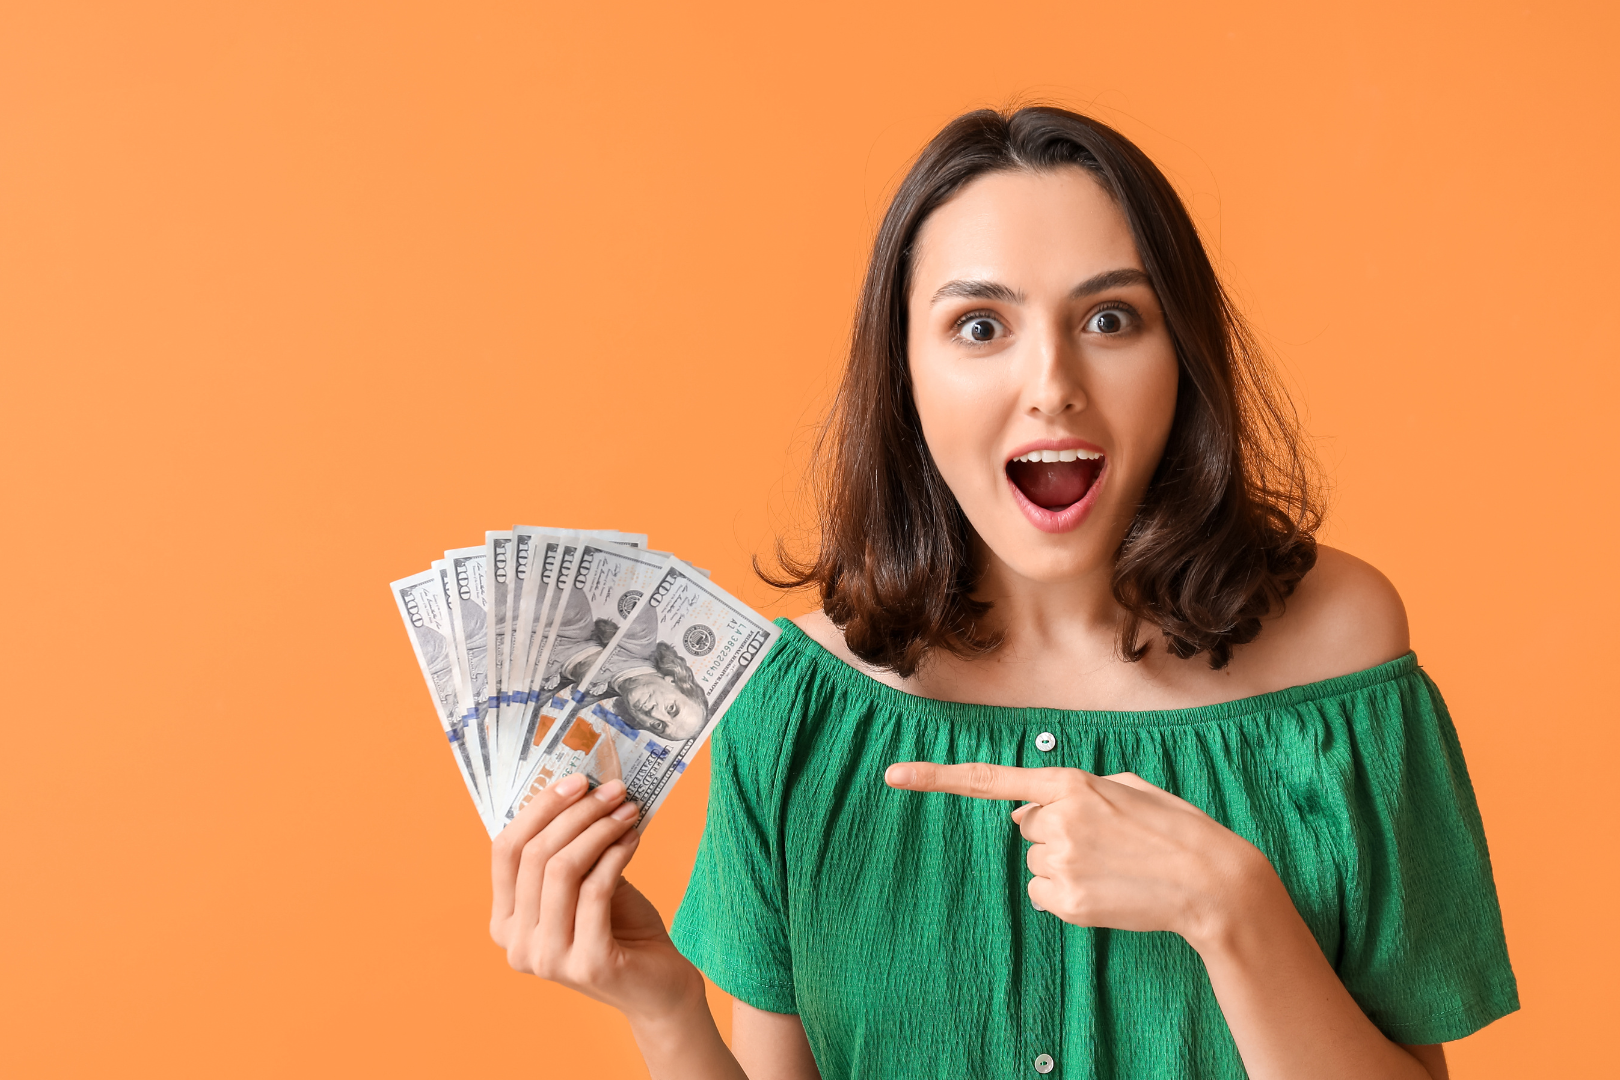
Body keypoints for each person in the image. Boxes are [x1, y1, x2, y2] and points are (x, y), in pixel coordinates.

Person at [486, 107, 1518, 1080]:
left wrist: (1230, 908)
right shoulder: (798, 703)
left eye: (1111, 318)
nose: (1052, 382)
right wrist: (663, 1007)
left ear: (1183, 357)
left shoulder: (1342, 653)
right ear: (908, 373)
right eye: (980, 327)